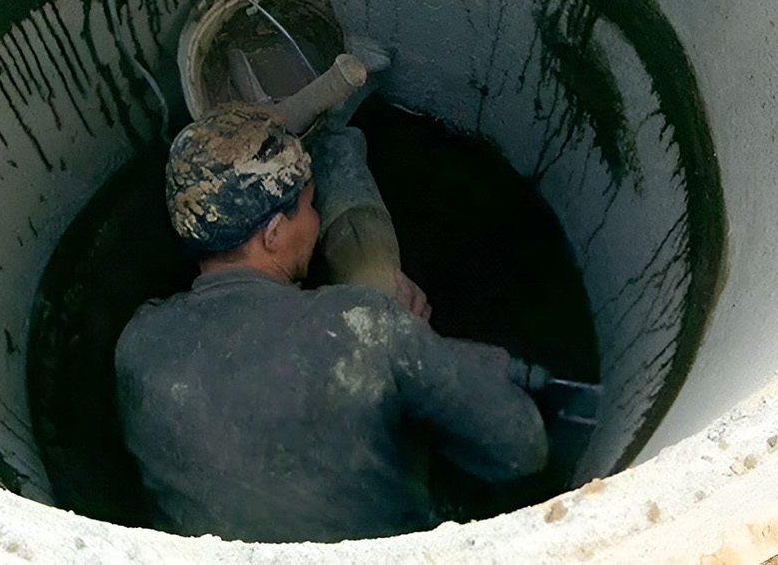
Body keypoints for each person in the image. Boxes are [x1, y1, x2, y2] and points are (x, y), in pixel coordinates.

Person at [113, 103, 548, 542]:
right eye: (309, 204)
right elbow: (522, 445)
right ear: (274, 232)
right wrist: (417, 344)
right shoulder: (363, 327)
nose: (317, 221)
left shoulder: (137, 342)